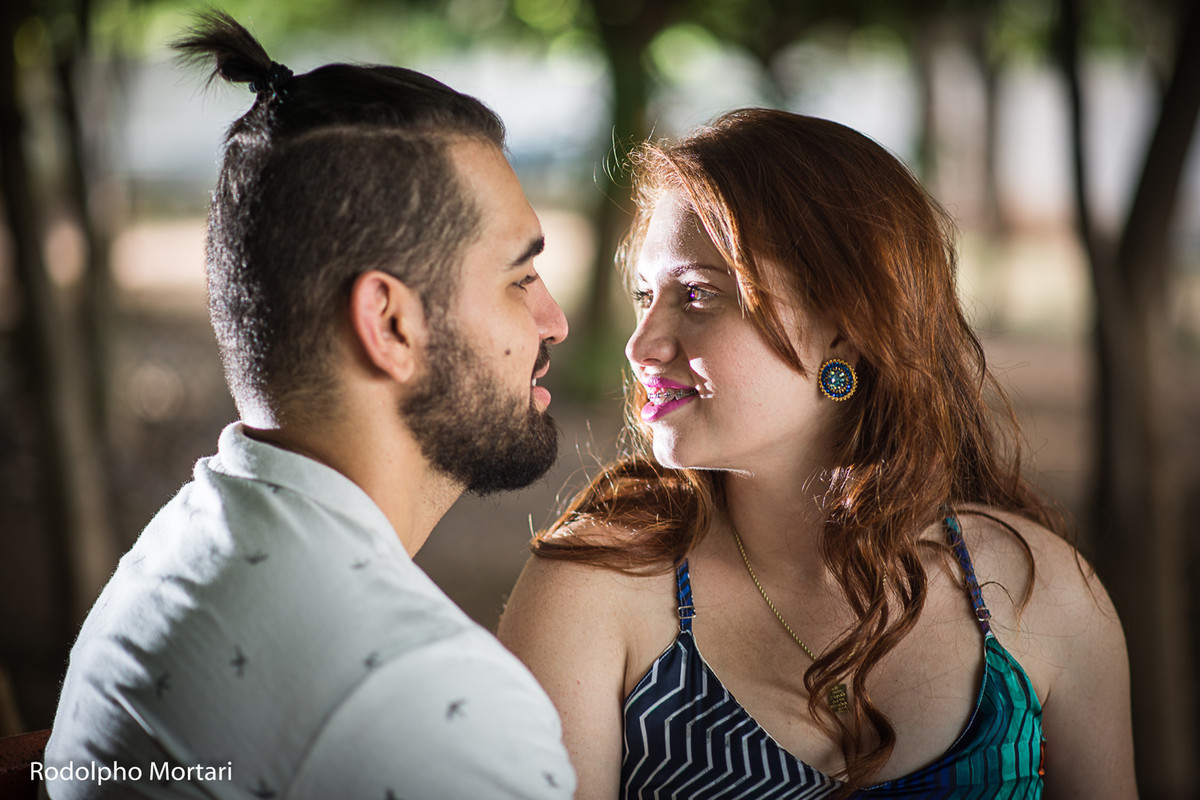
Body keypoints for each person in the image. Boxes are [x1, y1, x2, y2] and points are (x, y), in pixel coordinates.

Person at [498, 109, 1136, 799]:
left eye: (698, 294)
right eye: (645, 296)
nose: (641, 345)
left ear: (846, 330)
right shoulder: (595, 593)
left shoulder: (1043, 594)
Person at [41, 11, 575, 799]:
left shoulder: (173, 551)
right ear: (390, 325)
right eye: (520, 278)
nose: (554, 320)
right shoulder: (429, 695)